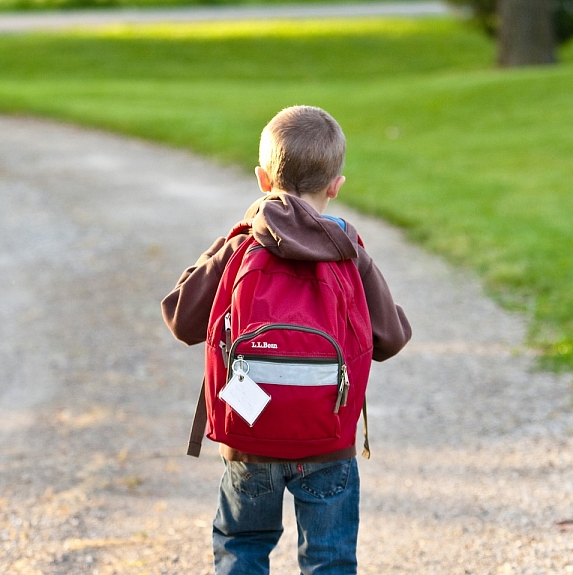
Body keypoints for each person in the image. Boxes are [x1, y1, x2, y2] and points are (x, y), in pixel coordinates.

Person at [161, 105, 411, 575]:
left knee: (243, 548)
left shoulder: (242, 245)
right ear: (336, 185)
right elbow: (390, 339)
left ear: (261, 179)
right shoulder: (348, 252)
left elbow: (180, 318)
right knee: (329, 559)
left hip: (250, 431)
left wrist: (227, 244)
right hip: (327, 438)